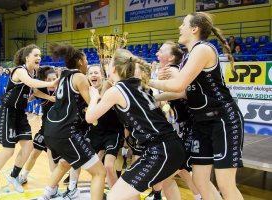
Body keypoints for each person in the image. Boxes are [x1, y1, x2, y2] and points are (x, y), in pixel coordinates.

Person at [149, 12, 244, 200]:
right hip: (202, 123)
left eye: (183, 24)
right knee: (200, 180)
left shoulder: (203, 49)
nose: (179, 28)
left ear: (194, 29)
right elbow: (184, 93)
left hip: (222, 120)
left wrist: (146, 81)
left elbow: (178, 85)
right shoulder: (188, 56)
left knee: (226, 185)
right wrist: (153, 99)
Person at [86, 49, 185, 200]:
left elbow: (90, 117)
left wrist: (93, 96)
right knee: (133, 194)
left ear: (113, 68)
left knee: (115, 196)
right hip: (169, 146)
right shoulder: (140, 85)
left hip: (161, 149)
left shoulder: (117, 90)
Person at [0, 44, 58, 198]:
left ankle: (14, 175)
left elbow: (34, 91)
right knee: (9, 150)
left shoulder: (33, 73)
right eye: (36, 55)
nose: (39, 57)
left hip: (20, 114)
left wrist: (48, 97)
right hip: (7, 111)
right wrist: (50, 84)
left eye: (40, 55)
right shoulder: (20, 71)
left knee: (28, 146)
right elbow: (31, 84)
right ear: (27, 58)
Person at [37, 43, 106, 200]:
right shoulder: (79, 77)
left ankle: (47, 194)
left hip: (51, 129)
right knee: (99, 172)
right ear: (80, 61)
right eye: (86, 59)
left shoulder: (63, 77)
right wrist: (95, 95)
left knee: (65, 162)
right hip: (66, 132)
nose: (87, 62)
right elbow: (92, 108)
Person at [85, 64, 124, 189]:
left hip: (114, 131)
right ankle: (74, 185)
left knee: (109, 164)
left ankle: (115, 189)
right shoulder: (88, 91)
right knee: (88, 161)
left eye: (96, 72)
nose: (93, 75)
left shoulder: (111, 89)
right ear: (87, 76)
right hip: (96, 131)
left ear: (102, 75)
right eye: (91, 73)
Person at [19, 66, 57, 185]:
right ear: (45, 80)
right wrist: (48, 97)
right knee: (35, 152)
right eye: (49, 79)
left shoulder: (62, 90)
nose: (52, 81)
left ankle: (54, 183)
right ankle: (23, 175)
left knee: (53, 157)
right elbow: (33, 92)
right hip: (45, 128)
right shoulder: (44, 90)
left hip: (57, 130)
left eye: (54, 78)